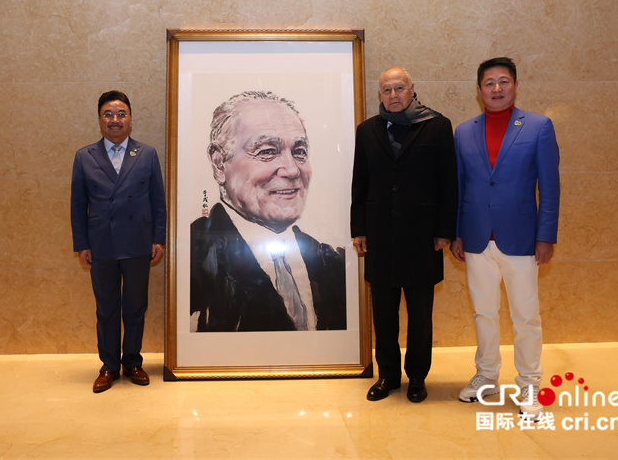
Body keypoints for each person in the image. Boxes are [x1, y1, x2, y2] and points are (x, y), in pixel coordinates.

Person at [451, 57, 560, 419]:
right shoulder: (463, 132)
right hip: (476, 237)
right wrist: (456, 232)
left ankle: (529, 383)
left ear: (515, 85)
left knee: (525, 316)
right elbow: (459, 187)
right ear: (478, 89)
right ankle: (486, 375)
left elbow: (550, 186)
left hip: (522, 238)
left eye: (503, 81)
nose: (496, 89)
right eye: (489, 83)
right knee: (484, 312)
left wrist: (545, 236)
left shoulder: (539, 126)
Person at [190, 91, 346, 332]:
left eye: (299, 151)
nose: (292, 170)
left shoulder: (331, 261)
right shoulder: (193, 259)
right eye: (267, 151)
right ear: (220, 163)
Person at [351, 67, 458, 403]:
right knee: (383, 314)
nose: (393, 94)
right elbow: (359, 183)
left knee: (420, 316)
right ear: (379, 94)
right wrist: (359, 229)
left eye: (399, 88)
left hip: (423, 238)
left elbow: (448, 183)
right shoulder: (366, 130)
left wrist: (444, 230)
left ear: (412, 89)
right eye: (387, 89)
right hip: (380, 236)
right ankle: (388, 376)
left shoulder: (437, 126)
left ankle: (417, 377)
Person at [70, 90, 167, 393]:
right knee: (106, 308)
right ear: (100, 119)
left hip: (138, 241)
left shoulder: (147, 154)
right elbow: (78, 204)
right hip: (101, 243)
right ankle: (109, 365)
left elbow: (158, 201)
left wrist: (158, 238)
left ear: (130, 119)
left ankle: (133, 362)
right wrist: (82, 244)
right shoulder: (84, 156)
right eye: (108, 114)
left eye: (121, 114)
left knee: (135, 306)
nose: (115, 119)